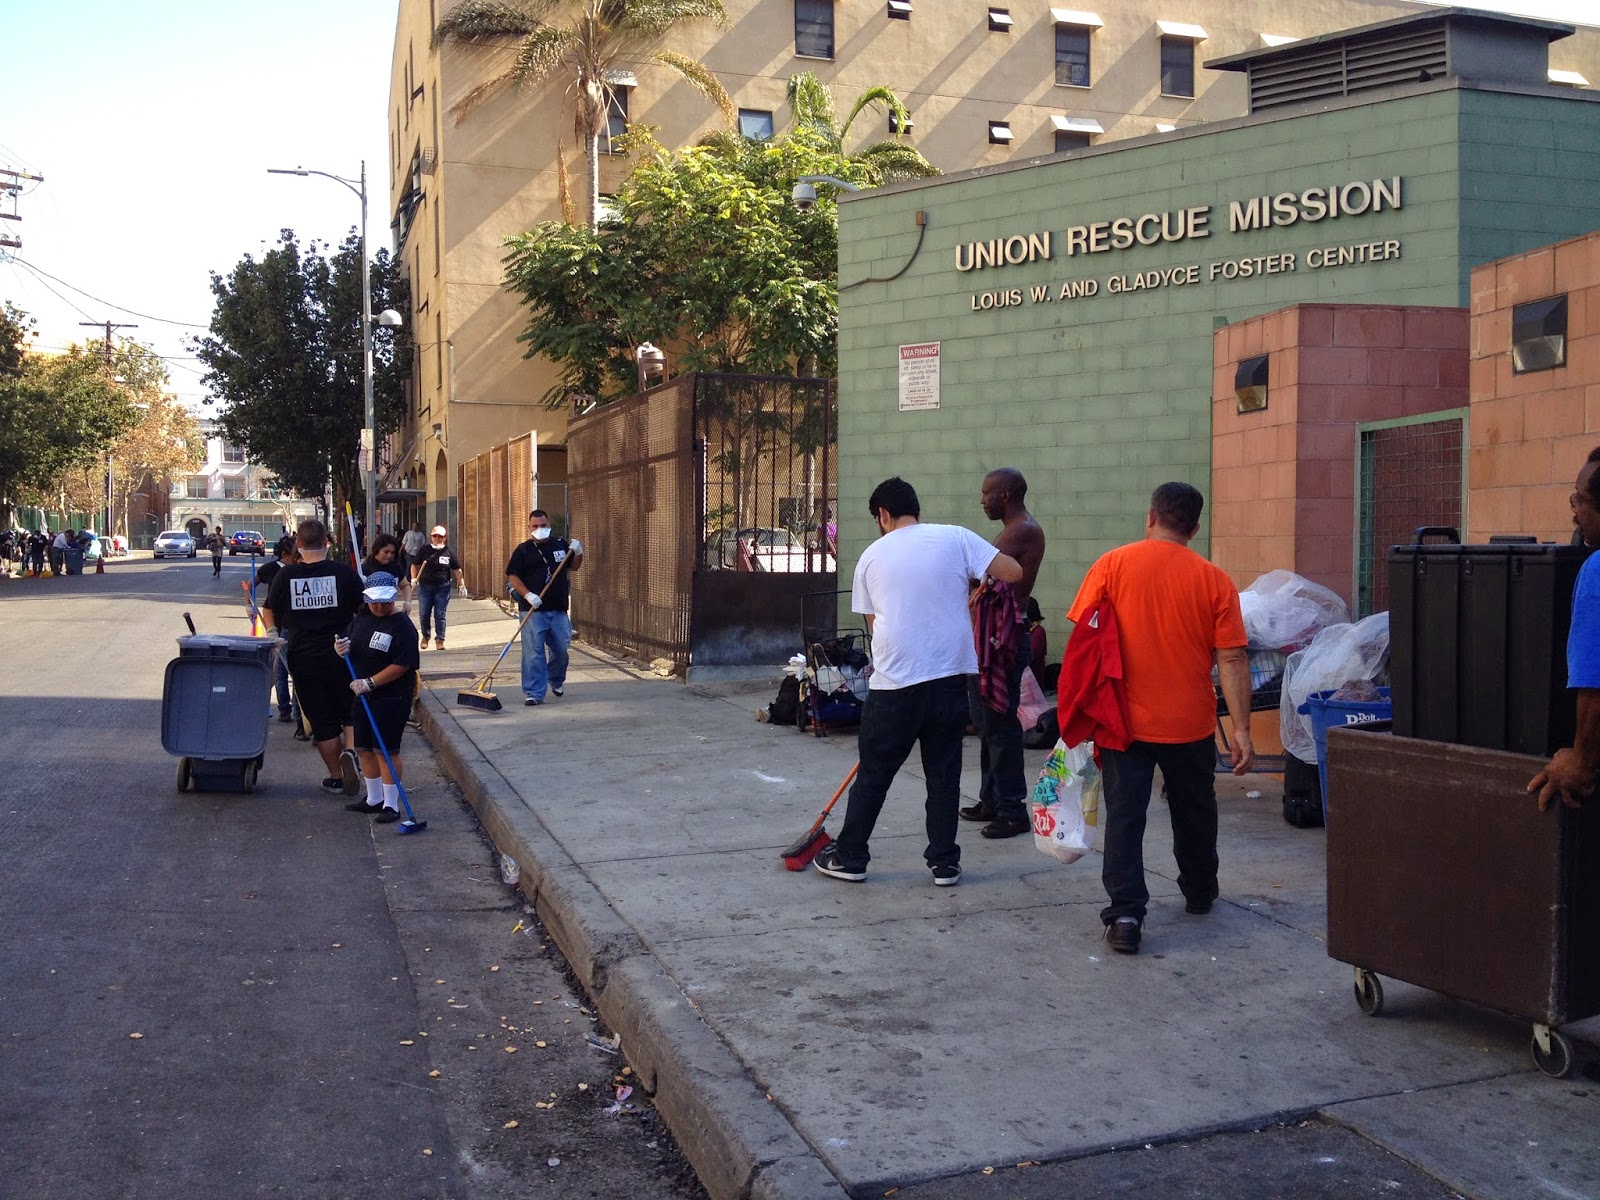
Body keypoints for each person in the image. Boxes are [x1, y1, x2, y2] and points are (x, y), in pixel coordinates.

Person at [1066, 482, 1253, 955]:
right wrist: (1243, 732)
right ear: (1193, 527)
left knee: (1125, 816)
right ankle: (1198, 890)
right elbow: (1231, 660)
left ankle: (1126, 914)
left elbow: (1084, 644)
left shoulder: (1110, 566)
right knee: (1194, 809)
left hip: (1122, 722)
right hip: (1190, 723)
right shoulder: (1214, 579)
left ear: (1150, 517)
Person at [813, 477, 1023, 888]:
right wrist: (978, 582)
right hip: (948, 681)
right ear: (917, 510)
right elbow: (1012, 572)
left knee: (875, 774)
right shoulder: (956, 538)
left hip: (895, 686)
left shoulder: (871, 558)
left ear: (883, 516)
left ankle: (851, 855)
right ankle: (944, 863)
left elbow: (876, 630)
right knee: (943, 777)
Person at [961, 467, 1047, 840]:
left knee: (1000, 727)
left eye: (986, 493)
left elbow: (979, 571)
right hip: (987, 636)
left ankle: (1012, 810)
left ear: (1007, 494)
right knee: (986, 725)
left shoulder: (1022, 530)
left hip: (1001, 639)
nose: (982, 501)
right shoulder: (1014, 529)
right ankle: (991, 800)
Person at [261, 519, 366, 795]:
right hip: (342, 653)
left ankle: (336, 776)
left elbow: (269, 609)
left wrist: (272, 632)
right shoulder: (344, 574)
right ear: (327, 543)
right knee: (349, 709)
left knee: (321, 720)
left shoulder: (286, 577)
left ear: (299, 544)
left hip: (303, 657)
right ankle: (352, 754)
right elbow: (363, 609)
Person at [1529, 448, 1600, 810]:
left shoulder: (1597, 571)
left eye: (1581, 500)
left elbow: (1595, 685)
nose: (1575, 512)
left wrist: (1582, 762)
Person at [335, 571, 421, 823]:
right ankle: (373, 798)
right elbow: (348, 640)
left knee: (386, 750)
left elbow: (403, 664)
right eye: (374, 602)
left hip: (391, 696)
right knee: (363, 748)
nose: (379, 607)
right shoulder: (362, 617)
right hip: (362, 694)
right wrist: (341, 649)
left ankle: (391, 805)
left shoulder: (402, 626)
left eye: (385, 602)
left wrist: (371, 682)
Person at [505, 510, 583, 706]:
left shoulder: (560, 545)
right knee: (533, 652)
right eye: (535, 526)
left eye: (543, 525)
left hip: (557, 609)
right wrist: (528, 595)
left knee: (561, 649)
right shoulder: (523, 551)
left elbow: (574, 566)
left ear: (549, 525)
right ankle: (534, 692)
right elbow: (513, 577)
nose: (540, 529)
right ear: (529, 528)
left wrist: (578, 552)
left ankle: (556, 679)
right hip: (532, 611)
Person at [255, 536, 301, 725]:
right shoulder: (276, 573)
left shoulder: (299, 572)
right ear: (285, 555)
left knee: (297, 672)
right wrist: (271, 629)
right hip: (283, 628)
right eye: (296, 556)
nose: (299, 559)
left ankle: (301, 717)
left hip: (299, 629)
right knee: (282, 671)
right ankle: (284, 708)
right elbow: (266, 604)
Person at [411, 524, 464, 649]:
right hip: (425, 587)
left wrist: (462, 584)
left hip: (442, 587)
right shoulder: (424, 550)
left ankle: (440, 639)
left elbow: (457, 569)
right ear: (431, 537)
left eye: (440, 536)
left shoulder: (448, 552)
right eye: (434, 536)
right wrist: (413, 578)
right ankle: (426, 636)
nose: (437, 539)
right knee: (424, 613)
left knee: (440, 614)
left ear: (445, 537)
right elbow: (414, 565)